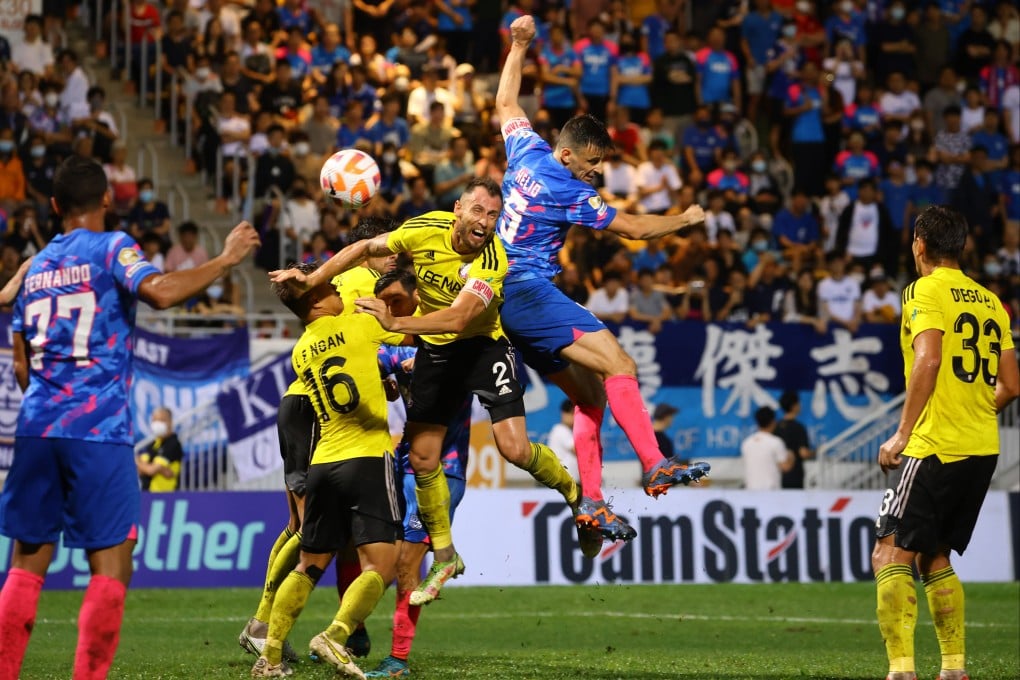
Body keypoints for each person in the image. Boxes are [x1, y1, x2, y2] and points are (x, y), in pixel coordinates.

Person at [0, 156, 260, 680]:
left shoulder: (36, 268)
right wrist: (226, 260)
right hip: (96, 430)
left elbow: (23, 367)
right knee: (112, 564)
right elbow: (160, 292)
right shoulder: (114, 247)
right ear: (106, 201)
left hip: (35, 427)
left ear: (52, 206)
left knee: (27, 565)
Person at [270, 177, 586, 606]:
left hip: (482, 347)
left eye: (493, 216)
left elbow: (458, 320)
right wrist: (314, 279)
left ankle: (575, 494)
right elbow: (365, 249)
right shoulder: (424, 229)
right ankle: (445, 555)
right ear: (458, 208)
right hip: (439, 354)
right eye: (478, 211)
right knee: (421, 458)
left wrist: (396, 324)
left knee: (513, 449)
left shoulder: (492, 260)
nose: (485, 222)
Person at [492, 14, 710, 550]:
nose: (594, 172)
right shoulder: (565, 186)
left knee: (592, 397)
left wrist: (518, 45)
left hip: (506, 300)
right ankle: (655, 465)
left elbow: (506, 104)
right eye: (590, 163)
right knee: (622, 366)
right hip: (529, 292)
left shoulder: (526, 152)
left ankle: (590, 503)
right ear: (568, 155)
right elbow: (633, 230)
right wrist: (684, 220)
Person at [239, 217, 399, 662]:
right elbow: (405, 332)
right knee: (310, 531)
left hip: (310, 410)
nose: (397, 257)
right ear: (370, 250)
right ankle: (265, 623)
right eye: (391, 249)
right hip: (324, 422)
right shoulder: (356, 284)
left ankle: (282, 635)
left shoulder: (328, 301)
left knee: (322, 535)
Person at [873, 205, 1018, 680]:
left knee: (889, 552)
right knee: (935, 555)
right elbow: (1012, 385)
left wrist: (902, 432)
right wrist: (972, 411)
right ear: (963, 246)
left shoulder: (923, 290)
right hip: (981, 446)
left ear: (920, 244)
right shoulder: (991, 301)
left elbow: (929, 360)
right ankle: (954, 669)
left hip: (934, 444)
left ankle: (901, 671)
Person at [363, 269, 473, 679]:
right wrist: (386, 385)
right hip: (402, 466)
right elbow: (369, 363)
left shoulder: (455, 346)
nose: (390, 310)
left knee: (407, 562)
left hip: (444, 471)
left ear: (418, 297)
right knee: (382, 557)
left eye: (396, 301)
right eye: (384, 304)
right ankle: (356, 633)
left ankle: (397, 660)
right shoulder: (394, 352)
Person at [741, 406, 793, 491]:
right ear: (773, 422)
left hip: (751, 490)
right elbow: (785, 467)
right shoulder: (776, 442)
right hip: (770, 491)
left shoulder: (747, 443)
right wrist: (791, 456)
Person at [135, 407, 184, 492]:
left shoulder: (173, 443)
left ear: (170, 422)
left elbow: (152, 470)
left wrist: (141, 463)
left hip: (165, 496)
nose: (157, 424)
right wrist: (160, 469)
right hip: (146, 494)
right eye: (155, 420)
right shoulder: (152, 444)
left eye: (161, 420)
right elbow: (137, 470)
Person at [773, 391, 813, 489]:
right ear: (794, 406)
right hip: (794, 475)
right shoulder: (798, 428)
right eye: (798, 403)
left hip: (778, 473)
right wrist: (816, 452)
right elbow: (804, 453)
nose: (800, 406)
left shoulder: (775, 427)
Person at [546, 399, 577, 479]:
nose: (574, 417)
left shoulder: (568, 431)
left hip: (568, 482)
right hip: (561, 482)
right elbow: (577, 450)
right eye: (572, 413)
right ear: (563, 414)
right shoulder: (560, 430)